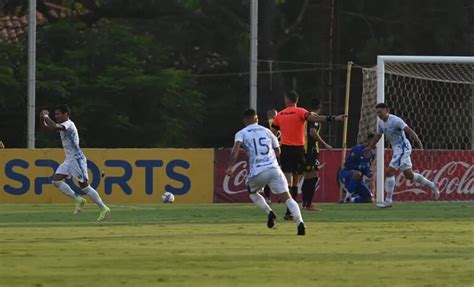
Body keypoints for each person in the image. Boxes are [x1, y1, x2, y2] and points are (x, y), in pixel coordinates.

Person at [226, 109, 306, 235]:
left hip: (258, 171)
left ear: (244, 121)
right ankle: (300, 222)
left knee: (252, 192)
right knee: (287, 197)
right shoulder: (267, 131)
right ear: (256, 119)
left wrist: (230, 166)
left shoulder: (241, 133)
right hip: (274, 169)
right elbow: (278, 150)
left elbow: (235, 150)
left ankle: (269, 212)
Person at [271, 90, 345, 220]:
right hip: (299, 150)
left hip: (286, 150)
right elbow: (315, 118)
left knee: (288, 181)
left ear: (286, 100)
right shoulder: (300, 111)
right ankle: (291, 211)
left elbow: (273, 133)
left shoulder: (280, 114)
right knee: (295, 181)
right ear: (296, 101)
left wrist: (273, 147)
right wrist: (334, 118)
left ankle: (289, 211)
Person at [39, 105, 111, 221]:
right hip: (69, 159)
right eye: (55, 114)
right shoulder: (62, 125)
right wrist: (42, 118)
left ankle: (104, 208)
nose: (56, 116)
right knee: (56, 181)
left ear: (66, 114)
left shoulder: (69, 124)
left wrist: (46, 115)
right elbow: (46, 129)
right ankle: (78, 199)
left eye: (58, 114)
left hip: (77, 159)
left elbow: (54, 126)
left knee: (85, 187)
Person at [364, 103, 440, 208]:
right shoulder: (381, 123)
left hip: (404, 147)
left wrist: (418, 140)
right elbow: (378, 135)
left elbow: (408, 130)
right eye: (377, 113)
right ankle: (432, 185)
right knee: (410, 176)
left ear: (387, 110)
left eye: (380, 112)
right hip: (397, 149)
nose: (379, 114)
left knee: (389, 171)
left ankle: (388, 200)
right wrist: (371, 146)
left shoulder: (396, 120)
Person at [302, 98, 333, 211]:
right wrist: (325, 144)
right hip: (310, 150)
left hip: (305, 149)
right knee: (312, 176)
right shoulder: (314, 117)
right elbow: (312, 132)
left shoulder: (306, 117)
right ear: (320, 108)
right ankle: (308, 204)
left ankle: (306, 204)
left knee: (308, 176)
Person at [339, 134, 375, 203]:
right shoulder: (357, 149)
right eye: (374, 141)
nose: (375, 144)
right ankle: (347, 196)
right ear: (369, 140)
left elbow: (367, 170)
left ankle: (351, 200)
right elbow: (347, 164)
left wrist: (369, 173)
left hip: (358, 179)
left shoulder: (372, 154)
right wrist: (360, 167)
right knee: (357, 173)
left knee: (369, 199)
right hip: (346, 173)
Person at [263, 108, 279, 204]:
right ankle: (282, 195)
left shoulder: (264, 126)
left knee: (268, 176)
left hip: (268, 153)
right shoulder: (280, 122)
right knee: (282, 175)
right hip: (280, 151)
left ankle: (267, 197)